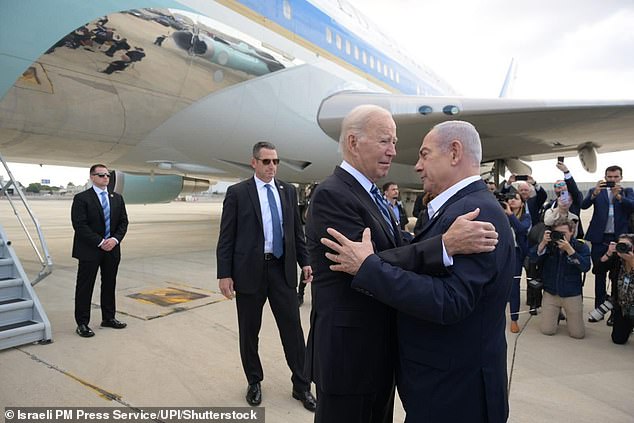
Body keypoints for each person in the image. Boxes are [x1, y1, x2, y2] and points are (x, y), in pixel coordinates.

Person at [319, 120, 510, 423]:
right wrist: (443, 244)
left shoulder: (475, 214)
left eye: (425, 155)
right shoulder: (455, 210)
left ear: (454, 153)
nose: (416, 166)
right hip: (441, 388)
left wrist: (369, 267)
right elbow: (410, 252)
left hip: (457, 395)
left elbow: (451, 301)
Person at [216, 142, 316, 411]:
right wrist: (224, 274)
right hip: (249, 272)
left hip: (281, 270)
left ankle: (302, 385)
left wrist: (305, 262)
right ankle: (254, 381)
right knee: (250, 332)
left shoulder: (288, 191)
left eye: (275, 161)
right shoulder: (238, 193)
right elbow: (226, 237)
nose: (272, 166)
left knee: (293, 330)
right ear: (254, 163)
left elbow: (297, 232)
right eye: (266, 162)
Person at [71, 164, 128, 338]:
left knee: (109, 284)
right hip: (90, 250)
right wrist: (101, 242)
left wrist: (114, 240)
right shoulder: (81, 198)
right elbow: (79, 225)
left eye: (107, 175)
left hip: (112, 249)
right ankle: (82, 323)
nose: (105, 178)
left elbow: (123, 223)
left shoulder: (117, 198)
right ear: (92, 177)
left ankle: (109, 318)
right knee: (85, 287)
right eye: (101, 175)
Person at [581, 165, 634, 316]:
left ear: (621, 178)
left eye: (615, 177)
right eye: (609, 177)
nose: (612, 180)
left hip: (620, 238)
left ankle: (615, 312)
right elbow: (584, 206)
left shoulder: (627, 191)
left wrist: (619, 197)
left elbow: (632, 206)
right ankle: (599, 308)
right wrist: (594, 194)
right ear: (605, 177)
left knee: (617, 274)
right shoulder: (597, 191)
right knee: (599, 273)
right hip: (599, 239)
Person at [529, 217, 590, 339]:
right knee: (547, 331)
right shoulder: (550, 246)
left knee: (577, 334)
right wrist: (542, 244)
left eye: (564, 234)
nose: (561, 237)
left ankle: (569, 318)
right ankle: (553, 315)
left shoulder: (580, 246)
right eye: (558, 233)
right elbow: (533, 258)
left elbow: (585, 267)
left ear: (572, 232)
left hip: (571, 294)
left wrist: (570, 251)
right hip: (551, 293)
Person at [502, 191, 530, 333]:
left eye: (516, 198)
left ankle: (514, 319)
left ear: (522, 203)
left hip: (517, 254)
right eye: (509, 198)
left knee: (514, 286)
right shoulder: (501, 215)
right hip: (501, 253)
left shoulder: (525, 217)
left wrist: (510, 215)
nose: (512, 200)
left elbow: (521, 229)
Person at [600, 234, 634, 344]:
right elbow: (597, 270)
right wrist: (608, 253)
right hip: (623, 307)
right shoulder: (617, 260)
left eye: (626, 245)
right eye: (620, 244)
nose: (623, 247)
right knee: (618, 339)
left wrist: (632, 262)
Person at [543, 161, 584, 237]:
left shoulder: (574, 200)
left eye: (562, 184)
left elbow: (574, 190)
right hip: (553, 236)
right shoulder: (550, 205)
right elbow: (546, 222)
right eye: (556, 186)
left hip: (572, 237)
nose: (559, 186)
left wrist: (566, 172)